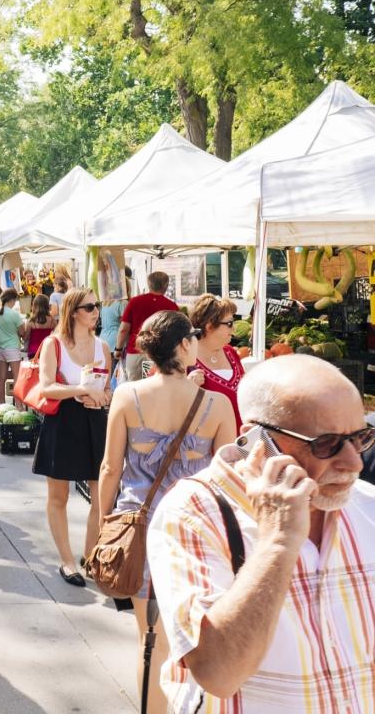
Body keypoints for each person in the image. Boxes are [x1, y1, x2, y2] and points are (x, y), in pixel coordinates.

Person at [147, 355, 374, 712]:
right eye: (326, 443)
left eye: (361, 437)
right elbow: (218, 674)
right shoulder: (192, 512)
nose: (354, 463)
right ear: (259, 439)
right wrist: (278, 542)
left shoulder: (367, 506)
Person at [97, 312, 236, 710]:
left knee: (149, 639)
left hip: (138, 528)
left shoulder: (128, 396)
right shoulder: (218, 404)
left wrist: (104, 522)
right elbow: (224, 480)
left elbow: (110, 469)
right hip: (195, 533)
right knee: (194, 639)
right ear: (181, 346)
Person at [31, 288, 111, 587]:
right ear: (73, 311)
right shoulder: (54, 344)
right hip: (62, 420)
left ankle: (90, 555)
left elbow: (106, 388)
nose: (95, 311)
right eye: (90, 306)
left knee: (101, 494)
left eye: (97, 305)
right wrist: (81, 390)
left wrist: (101, 398)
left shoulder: (102, 346)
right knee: (58, 496)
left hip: (94, 420)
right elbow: (47, 387)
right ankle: (67, 560)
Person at [188, 293, 245, 431]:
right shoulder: (187, 359)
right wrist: (187, 386)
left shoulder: (231, 352)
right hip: (207, 444)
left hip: (241, 438)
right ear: (209, 326)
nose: (233, 328)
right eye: (229, 323)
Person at [116, 271, 178, 381]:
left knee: (134, 390)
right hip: (156, 357)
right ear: (166, 286)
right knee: (151, 390)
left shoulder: (134, 302)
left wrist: (118, 349)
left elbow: (123, 329)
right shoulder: (172, 306)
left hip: (135, 353)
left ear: (149, 284)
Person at [0, 288, 26, 404]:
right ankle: (18, 405)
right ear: (12, 300)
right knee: (17, 377)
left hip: (0, 348)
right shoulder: (15, 314)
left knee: (1, 378)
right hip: (12, 348)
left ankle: (1, 405)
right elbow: (22, 332)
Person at [22, 295, 56, 360]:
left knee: (34, 369)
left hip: (33, 351)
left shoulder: (31, 321)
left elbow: (25, 338)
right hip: (48, 350)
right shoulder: (52, 320)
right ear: (47, 306)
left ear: (34, 305)